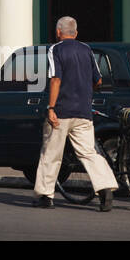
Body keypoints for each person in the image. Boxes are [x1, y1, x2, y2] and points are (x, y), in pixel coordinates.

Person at [33, 16, 117, 211]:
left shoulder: (56, 49)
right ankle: (105, 189)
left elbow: (55, 80)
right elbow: (98, 81)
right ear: (76, 33)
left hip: (62, 110)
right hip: (83, 111)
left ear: (58, 33)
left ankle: (45, 196)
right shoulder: (86, 49)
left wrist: (51, 108)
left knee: (52, 154)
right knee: (89, 152)